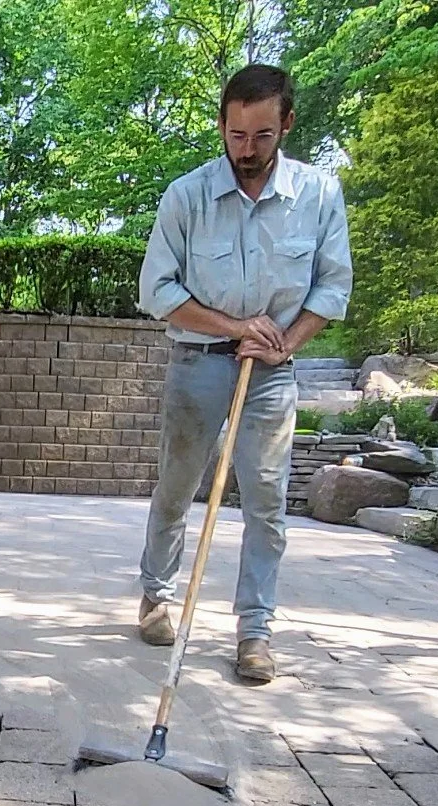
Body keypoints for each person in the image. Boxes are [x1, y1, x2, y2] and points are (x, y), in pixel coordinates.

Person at [134, 63, 353, 684]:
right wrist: (236, 329)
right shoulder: (186, 195)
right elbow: (157, 290)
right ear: (222, 127)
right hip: (196, 366)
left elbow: (332, 289)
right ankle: (156, 597)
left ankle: (254, 632)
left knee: (266, 502)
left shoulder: (318, 195)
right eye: (235, 135)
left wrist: (285, 343)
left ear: (285, 124)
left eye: (261, 135)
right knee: (177, 490)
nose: (247, 150)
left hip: (272, 374)